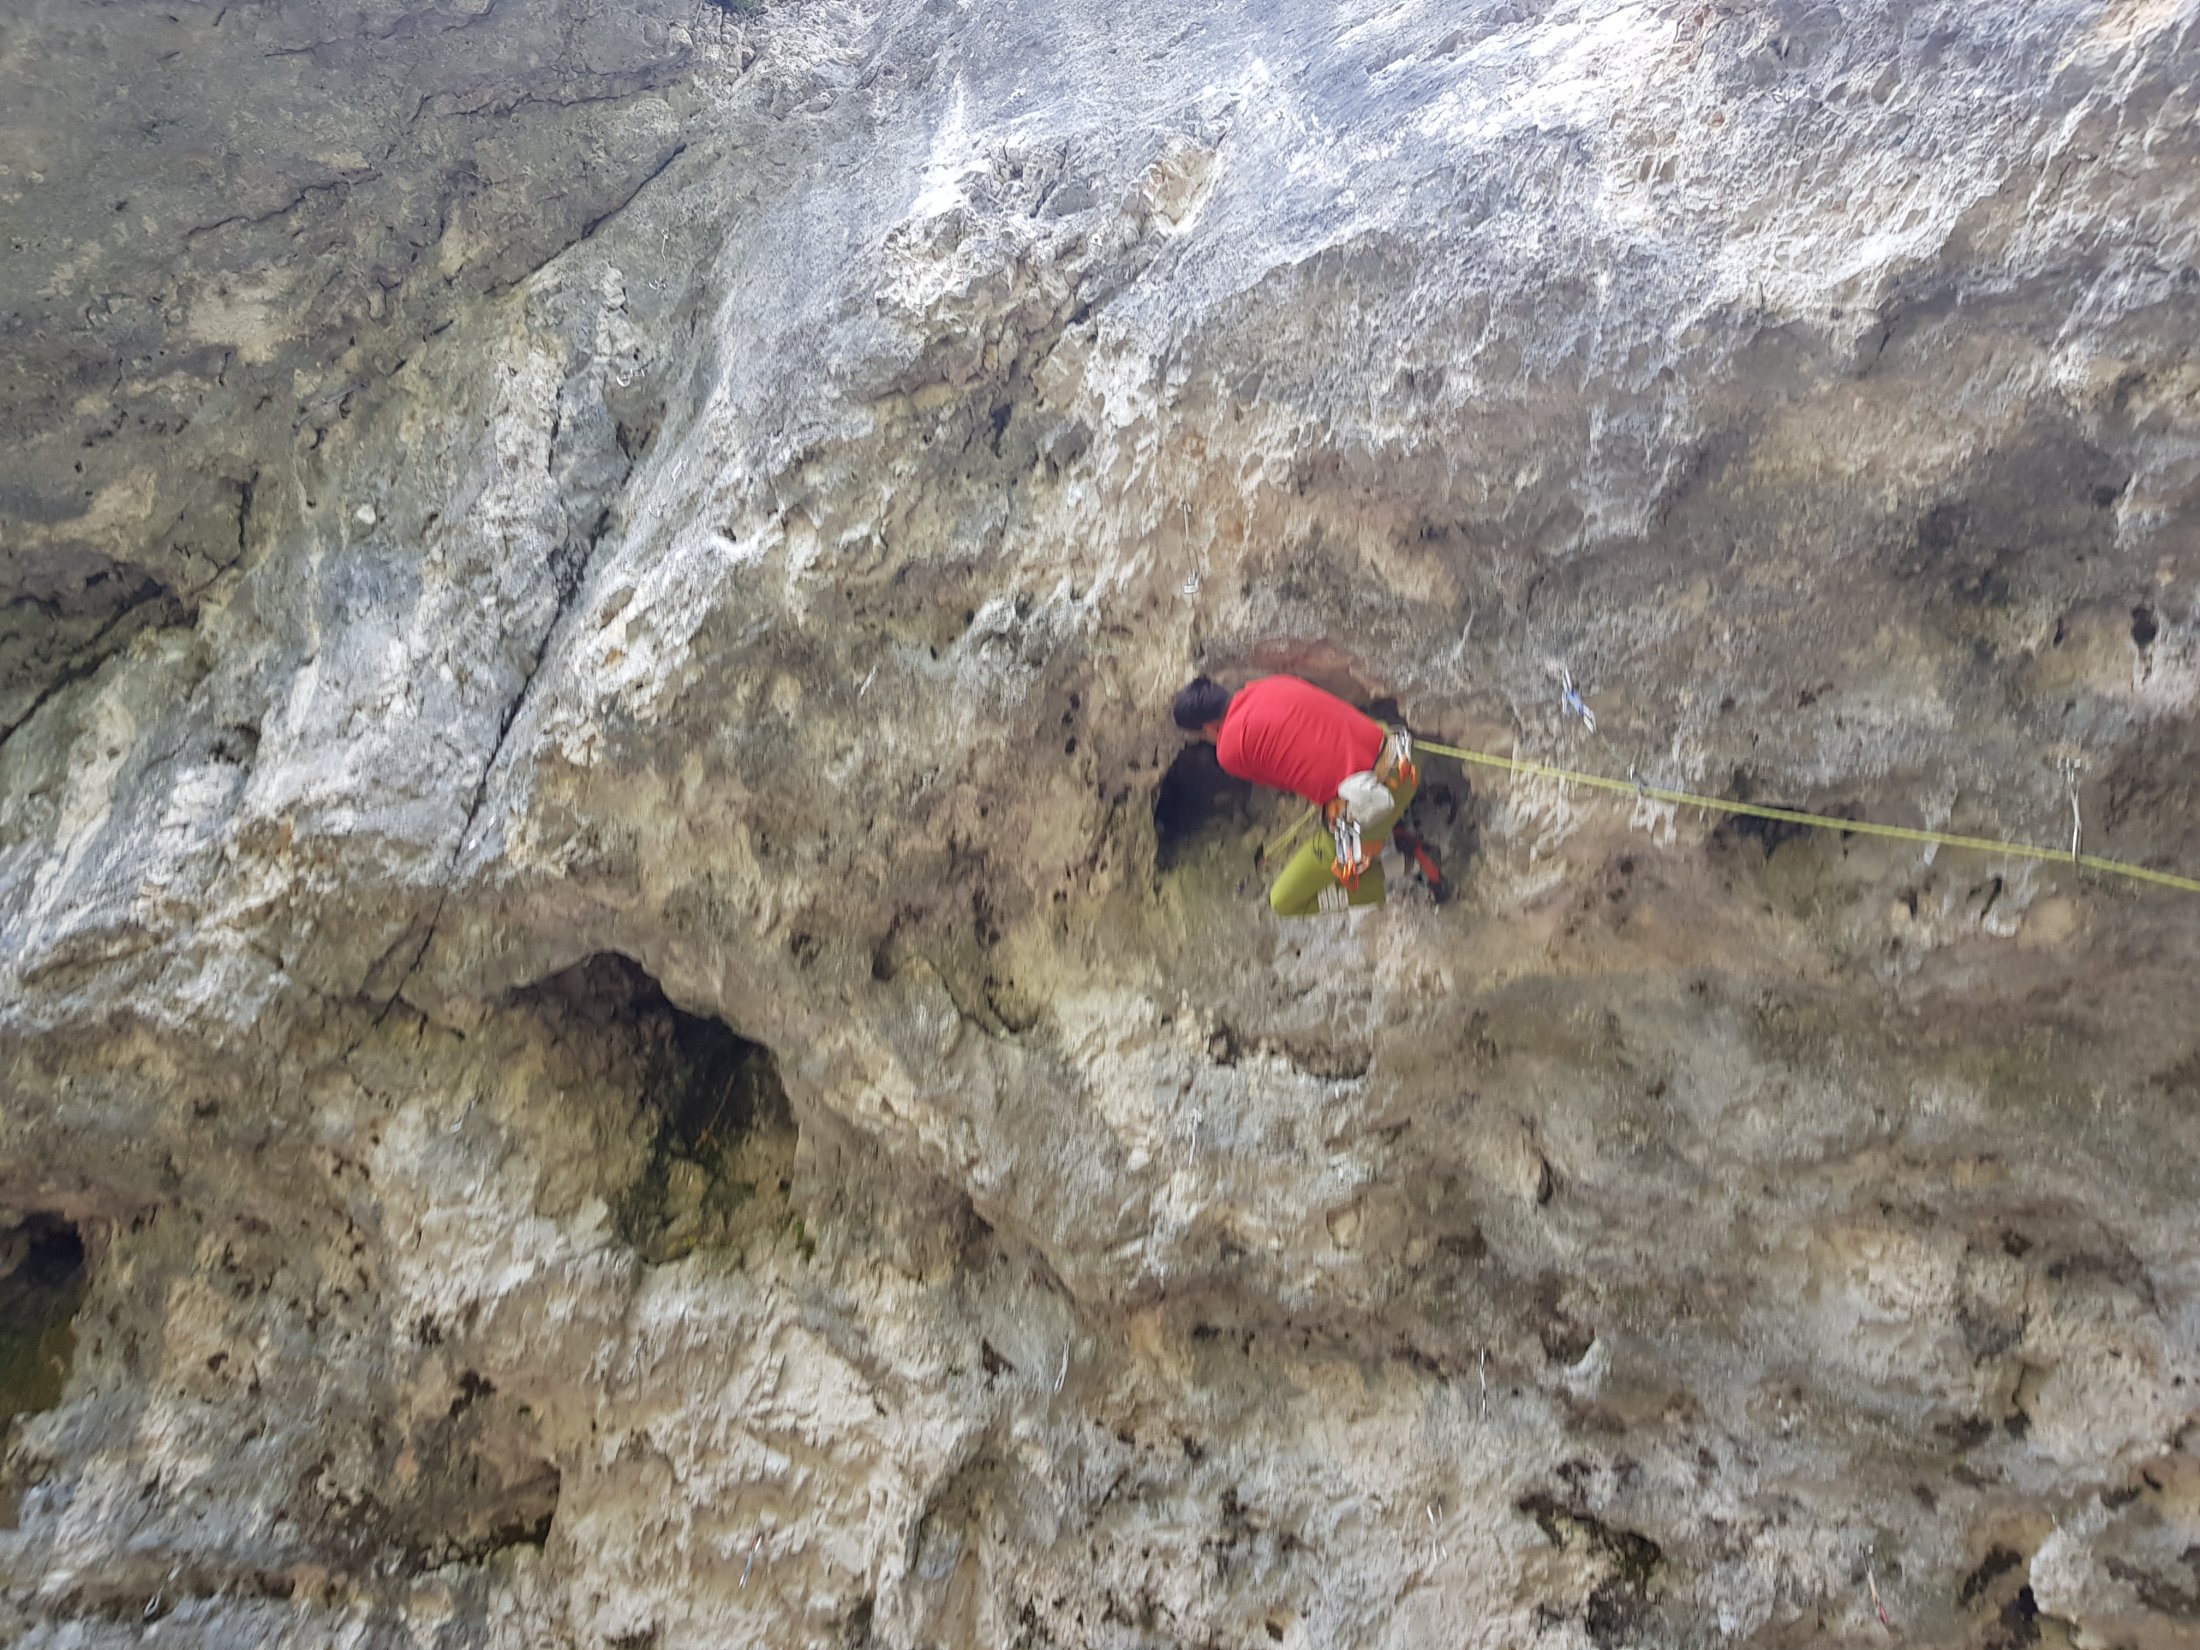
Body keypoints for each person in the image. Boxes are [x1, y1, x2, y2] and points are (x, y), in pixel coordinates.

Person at [1173, 674, 1442, 916]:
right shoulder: (1271, 684)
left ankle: (1410, 863)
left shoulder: (1228, 750)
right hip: (1403, 756)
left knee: (1284, 901)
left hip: (1378, 797)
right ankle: (1388, 835)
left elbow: (1279, 778)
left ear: (1209, 728)